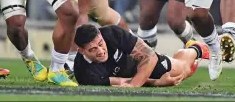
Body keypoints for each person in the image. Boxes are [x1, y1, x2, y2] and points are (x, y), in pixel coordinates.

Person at [73, 24, 209, 87]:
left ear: (101, 36)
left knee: (180, 70)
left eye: (101, 43)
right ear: (82, 51)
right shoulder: (84, 74)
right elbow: (120, 82)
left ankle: (196, 48)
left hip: (141, 62)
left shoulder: (113, 33)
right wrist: (156, 83)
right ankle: (188, 57)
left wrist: (134, 86)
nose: (101, 51)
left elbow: (149, 57)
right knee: (179, 76)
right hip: (129, 74)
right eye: (93, 49)